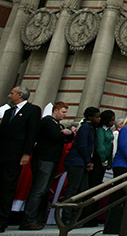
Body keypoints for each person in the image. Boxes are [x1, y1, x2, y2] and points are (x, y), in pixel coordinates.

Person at [21, 101, 74, 230]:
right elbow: (57, 136)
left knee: (44, 190)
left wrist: (67, 134)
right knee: (38, 189)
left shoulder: (57, 125)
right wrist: (64, 133)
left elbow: (68, 138)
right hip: (44, 159)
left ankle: (38, 218)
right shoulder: (47, 122)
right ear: (55, 111)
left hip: (52, 160)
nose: (64, 115)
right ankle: (28, 219)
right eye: (63, 112)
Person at [0, 86, 41, 232]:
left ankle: (2, 220)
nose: (9, 95)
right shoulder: (8, 112)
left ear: (21, 95)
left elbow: (32, 133)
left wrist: (26, 153)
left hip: (16, 155)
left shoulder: (33, 110)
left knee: (8, 186)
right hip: (3, 153)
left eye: (12, 93)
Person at [62, 107, 101, 224]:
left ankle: (75, 215)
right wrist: (88, 161)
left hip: (82, 162)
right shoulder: (85, 128)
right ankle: (66, 216)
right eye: (97, 117)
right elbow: (83, 146)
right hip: (77, 162)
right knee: (73, 189)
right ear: (90, 117)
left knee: (82, 189)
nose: (99, 119)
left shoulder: (90, 128)